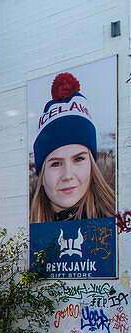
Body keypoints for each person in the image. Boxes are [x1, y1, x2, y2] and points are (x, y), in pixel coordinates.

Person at [29, 72, 116, 223]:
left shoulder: (115, 216)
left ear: (91, 165)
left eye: (78, 159)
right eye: (56, 163)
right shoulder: (26, 228)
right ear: (42, 175)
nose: (68, 175)